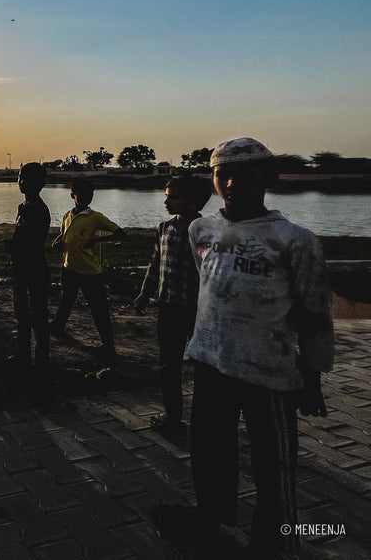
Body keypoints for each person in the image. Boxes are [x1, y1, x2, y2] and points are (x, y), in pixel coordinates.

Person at [153, 137, 334, 556]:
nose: (232, 183)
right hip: (211, 363)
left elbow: (314, 314)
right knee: (211, 451)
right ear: (213, 178)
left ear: (267, 178)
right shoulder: (202, 230)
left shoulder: (295, 241)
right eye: (223, 174)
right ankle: (211, 516)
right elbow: (208, 288)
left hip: (268, 371)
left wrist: (313, 376)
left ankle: (275, 538)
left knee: (273, 463)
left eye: (246, 175)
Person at [133, 175, 211, 433]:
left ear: (193, 202)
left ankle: (206, 416)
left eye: (173, 197)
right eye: (166, 196)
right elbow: (155, 263)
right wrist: (145, 292)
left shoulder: (208, 231)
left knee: (204, 366)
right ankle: (172, 413)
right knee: (169, 363)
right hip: (168, 305)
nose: (166, 201)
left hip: (199, 309)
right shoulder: (164, 228)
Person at [49, 178, 127, 357]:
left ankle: (108, 345)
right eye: (82, 194)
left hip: (90, 272)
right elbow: (62, 236)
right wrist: (57, 243)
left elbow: (121, 234)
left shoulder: (95, 217)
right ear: (72, 195)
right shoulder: (67, 216)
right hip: (69, 267)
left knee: (98, 308)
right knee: (66, 301)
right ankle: (58, 326)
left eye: (90, 195)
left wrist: (97, 240)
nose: (87, 197)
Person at [3, 163, 51, 389]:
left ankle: (41, 365)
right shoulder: (24, 206)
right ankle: (23, 357)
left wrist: (13, 246)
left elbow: (31, 241)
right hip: (21, 269)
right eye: (20, 178)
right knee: (22, 315)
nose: (21, 182)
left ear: (39, 184)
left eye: (25, 179)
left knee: (38, 319)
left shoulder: (38, 209)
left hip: (35, 269)